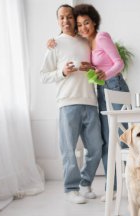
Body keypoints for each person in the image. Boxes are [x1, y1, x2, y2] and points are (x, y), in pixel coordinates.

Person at [47, 4, 130, 201]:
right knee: (103, 143)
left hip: (109, 88)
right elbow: (95, 65)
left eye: (86, 22)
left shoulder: (99, 37)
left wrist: (101, 72)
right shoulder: (78, 42)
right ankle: (98, 187)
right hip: (94, 92)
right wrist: (87, 67)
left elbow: (118, 64)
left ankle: (119, 186)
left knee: (114, 140)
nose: (82, 27)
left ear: (94, 21)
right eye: (79, 24)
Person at [40, 4, 103, 204]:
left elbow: (97, 67)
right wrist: (62, 73)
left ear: (74, 19)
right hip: (67, 103)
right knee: (68, 149)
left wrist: (90, 68)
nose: (66, 21)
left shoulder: (85, 41)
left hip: (90, 102)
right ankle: (70, 189)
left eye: (69, 17)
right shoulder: (55, 44)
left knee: (95, 147)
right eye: (61, 18)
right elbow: (43, 76)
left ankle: (85, 184)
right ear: (58, 21)